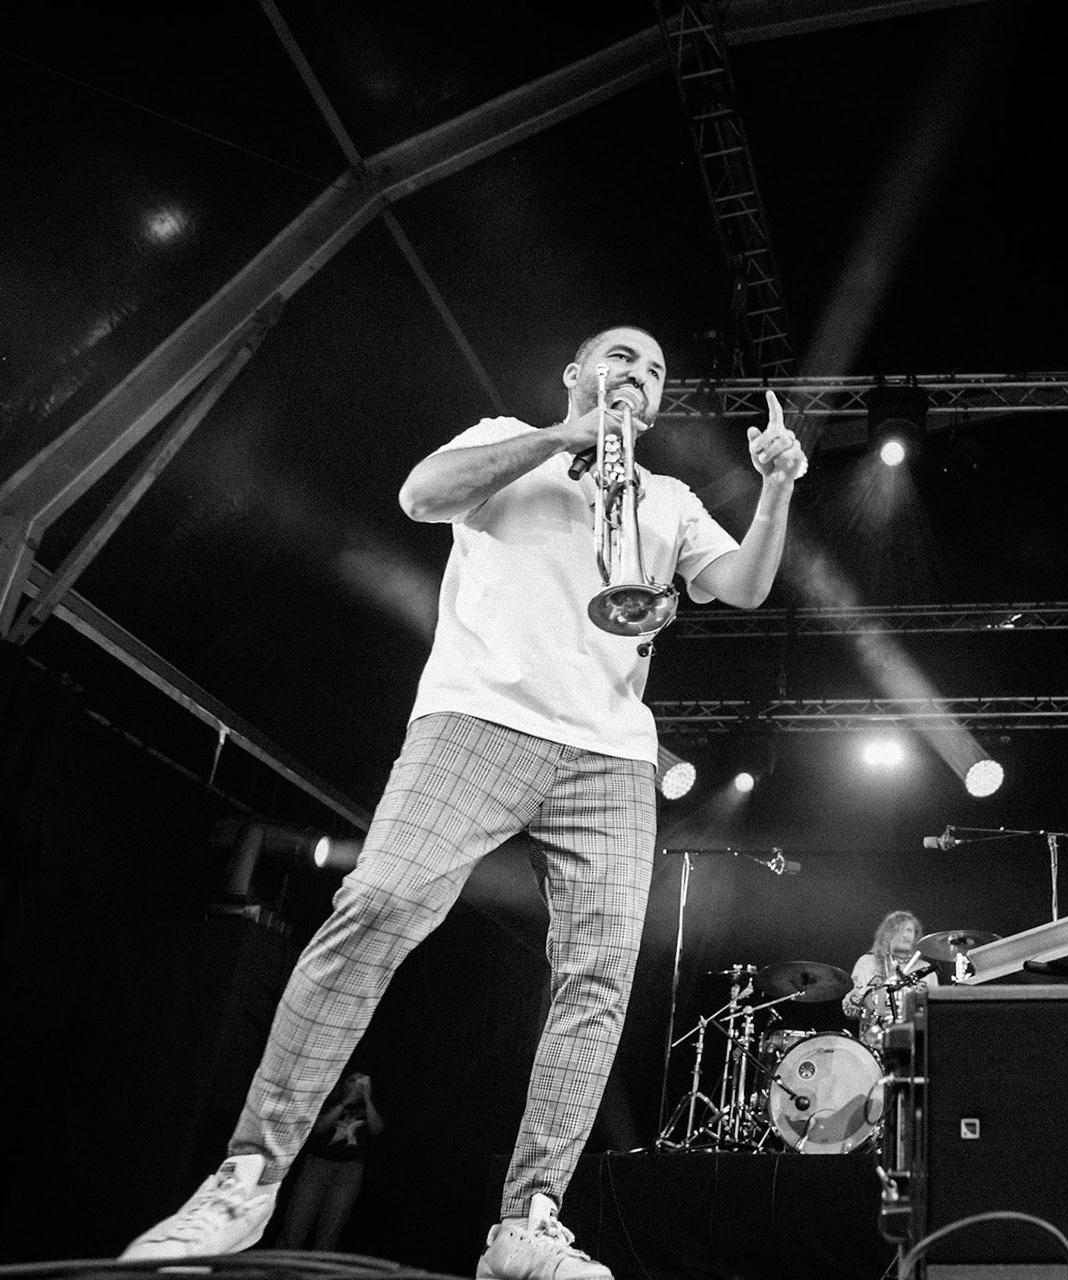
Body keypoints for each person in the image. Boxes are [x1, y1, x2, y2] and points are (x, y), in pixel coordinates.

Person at [125, 326, 807, 1279]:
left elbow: (745, 586)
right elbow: (421, 496)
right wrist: (560, 437)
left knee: (600, 979)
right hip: (477, 720)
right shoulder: (504, 439)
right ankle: (246, 1178)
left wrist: (775, 488)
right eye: (620, 357)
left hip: (611, 755)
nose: (638, 374)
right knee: (379, 903)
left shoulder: (670, 500)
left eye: (655, 370)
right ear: (576, 373)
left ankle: (528, 1222)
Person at [274, 1071, 384, 1252]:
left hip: (349, 1169)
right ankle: (282, 1264)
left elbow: (377, 1129)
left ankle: (320, 1266)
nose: (357, 1085)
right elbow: (319, 1128)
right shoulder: (328, 1100)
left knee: (331, 1229)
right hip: (318, 1164)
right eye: (352, 1080)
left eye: (362, 1081)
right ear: (343, 1083)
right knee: (296, 1222)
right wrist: (345, 1103)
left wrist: (367, 1099)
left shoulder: (370, 1105)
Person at [842, 910, 937, 1050]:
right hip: (873, 1043)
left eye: (909, 930)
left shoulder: (926, 970)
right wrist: (854, 1001)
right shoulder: (866, 963)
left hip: (915, 1043)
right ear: (887, 934)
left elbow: (933, 1014)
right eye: (899, 930)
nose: (905, 935)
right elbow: (849, 1009)